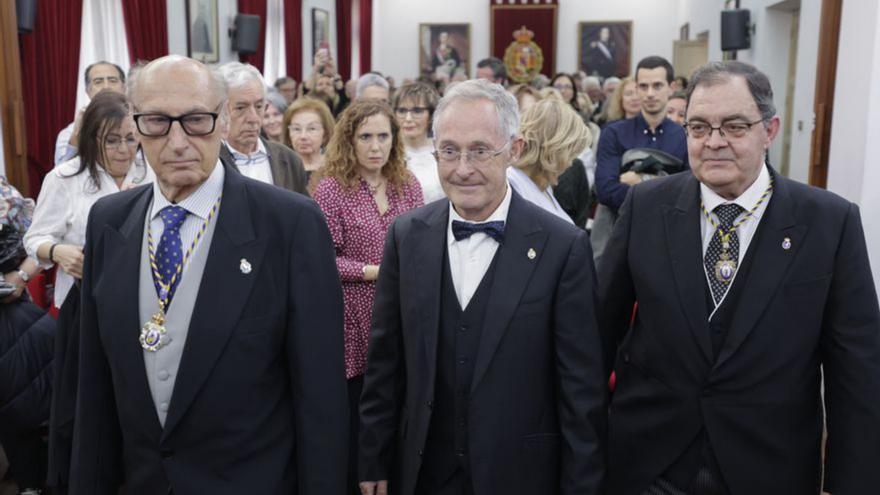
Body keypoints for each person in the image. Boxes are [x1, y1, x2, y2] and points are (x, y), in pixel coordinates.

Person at [69, 55, 348, 494]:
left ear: (221, 121)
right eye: (158, 121)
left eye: (196, 120)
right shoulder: (109, 221)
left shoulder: (289, 224)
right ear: (137, 127)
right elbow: (94, 387)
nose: (178, 141)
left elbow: (320, 396)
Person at [599, 60, 880, 495]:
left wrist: (852, 484)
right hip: (648, 467)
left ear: (769, 130)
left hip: (768, 470)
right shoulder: (645, 209)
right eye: (698, 127)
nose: (714, 142)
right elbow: (598, 335)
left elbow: (857, 374)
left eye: (733, 126)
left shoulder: (829, 223)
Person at [358, 79, 606, 495]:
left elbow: (581, 392)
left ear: (515, 149)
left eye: (480, 151)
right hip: (423, 473)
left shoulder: (563, 247)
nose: (462, 168)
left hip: (522, 477)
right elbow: (385, 364)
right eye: (450, 151)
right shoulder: (407, 236)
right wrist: (373, 460)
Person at [313, 99, 423, 494]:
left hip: (401, 309)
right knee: (360, 410)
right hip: (352, 318)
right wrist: (371, 271)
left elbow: (422, 246)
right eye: (366, 137)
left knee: (401, 402)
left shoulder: (407, 185)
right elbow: (322, 260)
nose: (376, 146)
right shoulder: (331, 189)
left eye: (383, 136)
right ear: (349, 141)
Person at [596, 57, 687, 214]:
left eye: (657, 86)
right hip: (626, 230)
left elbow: (690, 192)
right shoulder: (613, 133)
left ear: (671, 88)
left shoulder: (685, 136)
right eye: (644, 86)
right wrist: (667, 188)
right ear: (637, 88)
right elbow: (606, 192)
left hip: (672, 230)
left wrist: (640, 181)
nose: (650, 93)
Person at [216, 62, 309, 195]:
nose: (253, 118)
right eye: (241, 108)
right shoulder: (210, 162)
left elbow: (303, 212)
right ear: (220, 111)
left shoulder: (289, 159)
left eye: (259, 106)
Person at [508, 98, 590, 224]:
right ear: (554, 148)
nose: (569, 164)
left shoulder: (540, 185)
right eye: (570, 154)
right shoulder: (513, 187)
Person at [54, 61, 126, 165]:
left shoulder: (139, 125)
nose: (106, 86)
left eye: (112, 80)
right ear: (88, 91)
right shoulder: (69, 134)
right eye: (98, 82)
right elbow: (61, 175)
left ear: (124, 88)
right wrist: (77, 135)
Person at [393, 82, 445, 203]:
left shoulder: (443, 151)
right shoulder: (387, 153)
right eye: (402, 111)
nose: (408, 118)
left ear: (431, 114)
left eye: (417, 111)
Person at [282, 97, 335, 193]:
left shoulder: (337, 168)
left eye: (311, 129)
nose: (303, 136)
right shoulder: (282, 169)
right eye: (296, 129)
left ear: (325, 133)